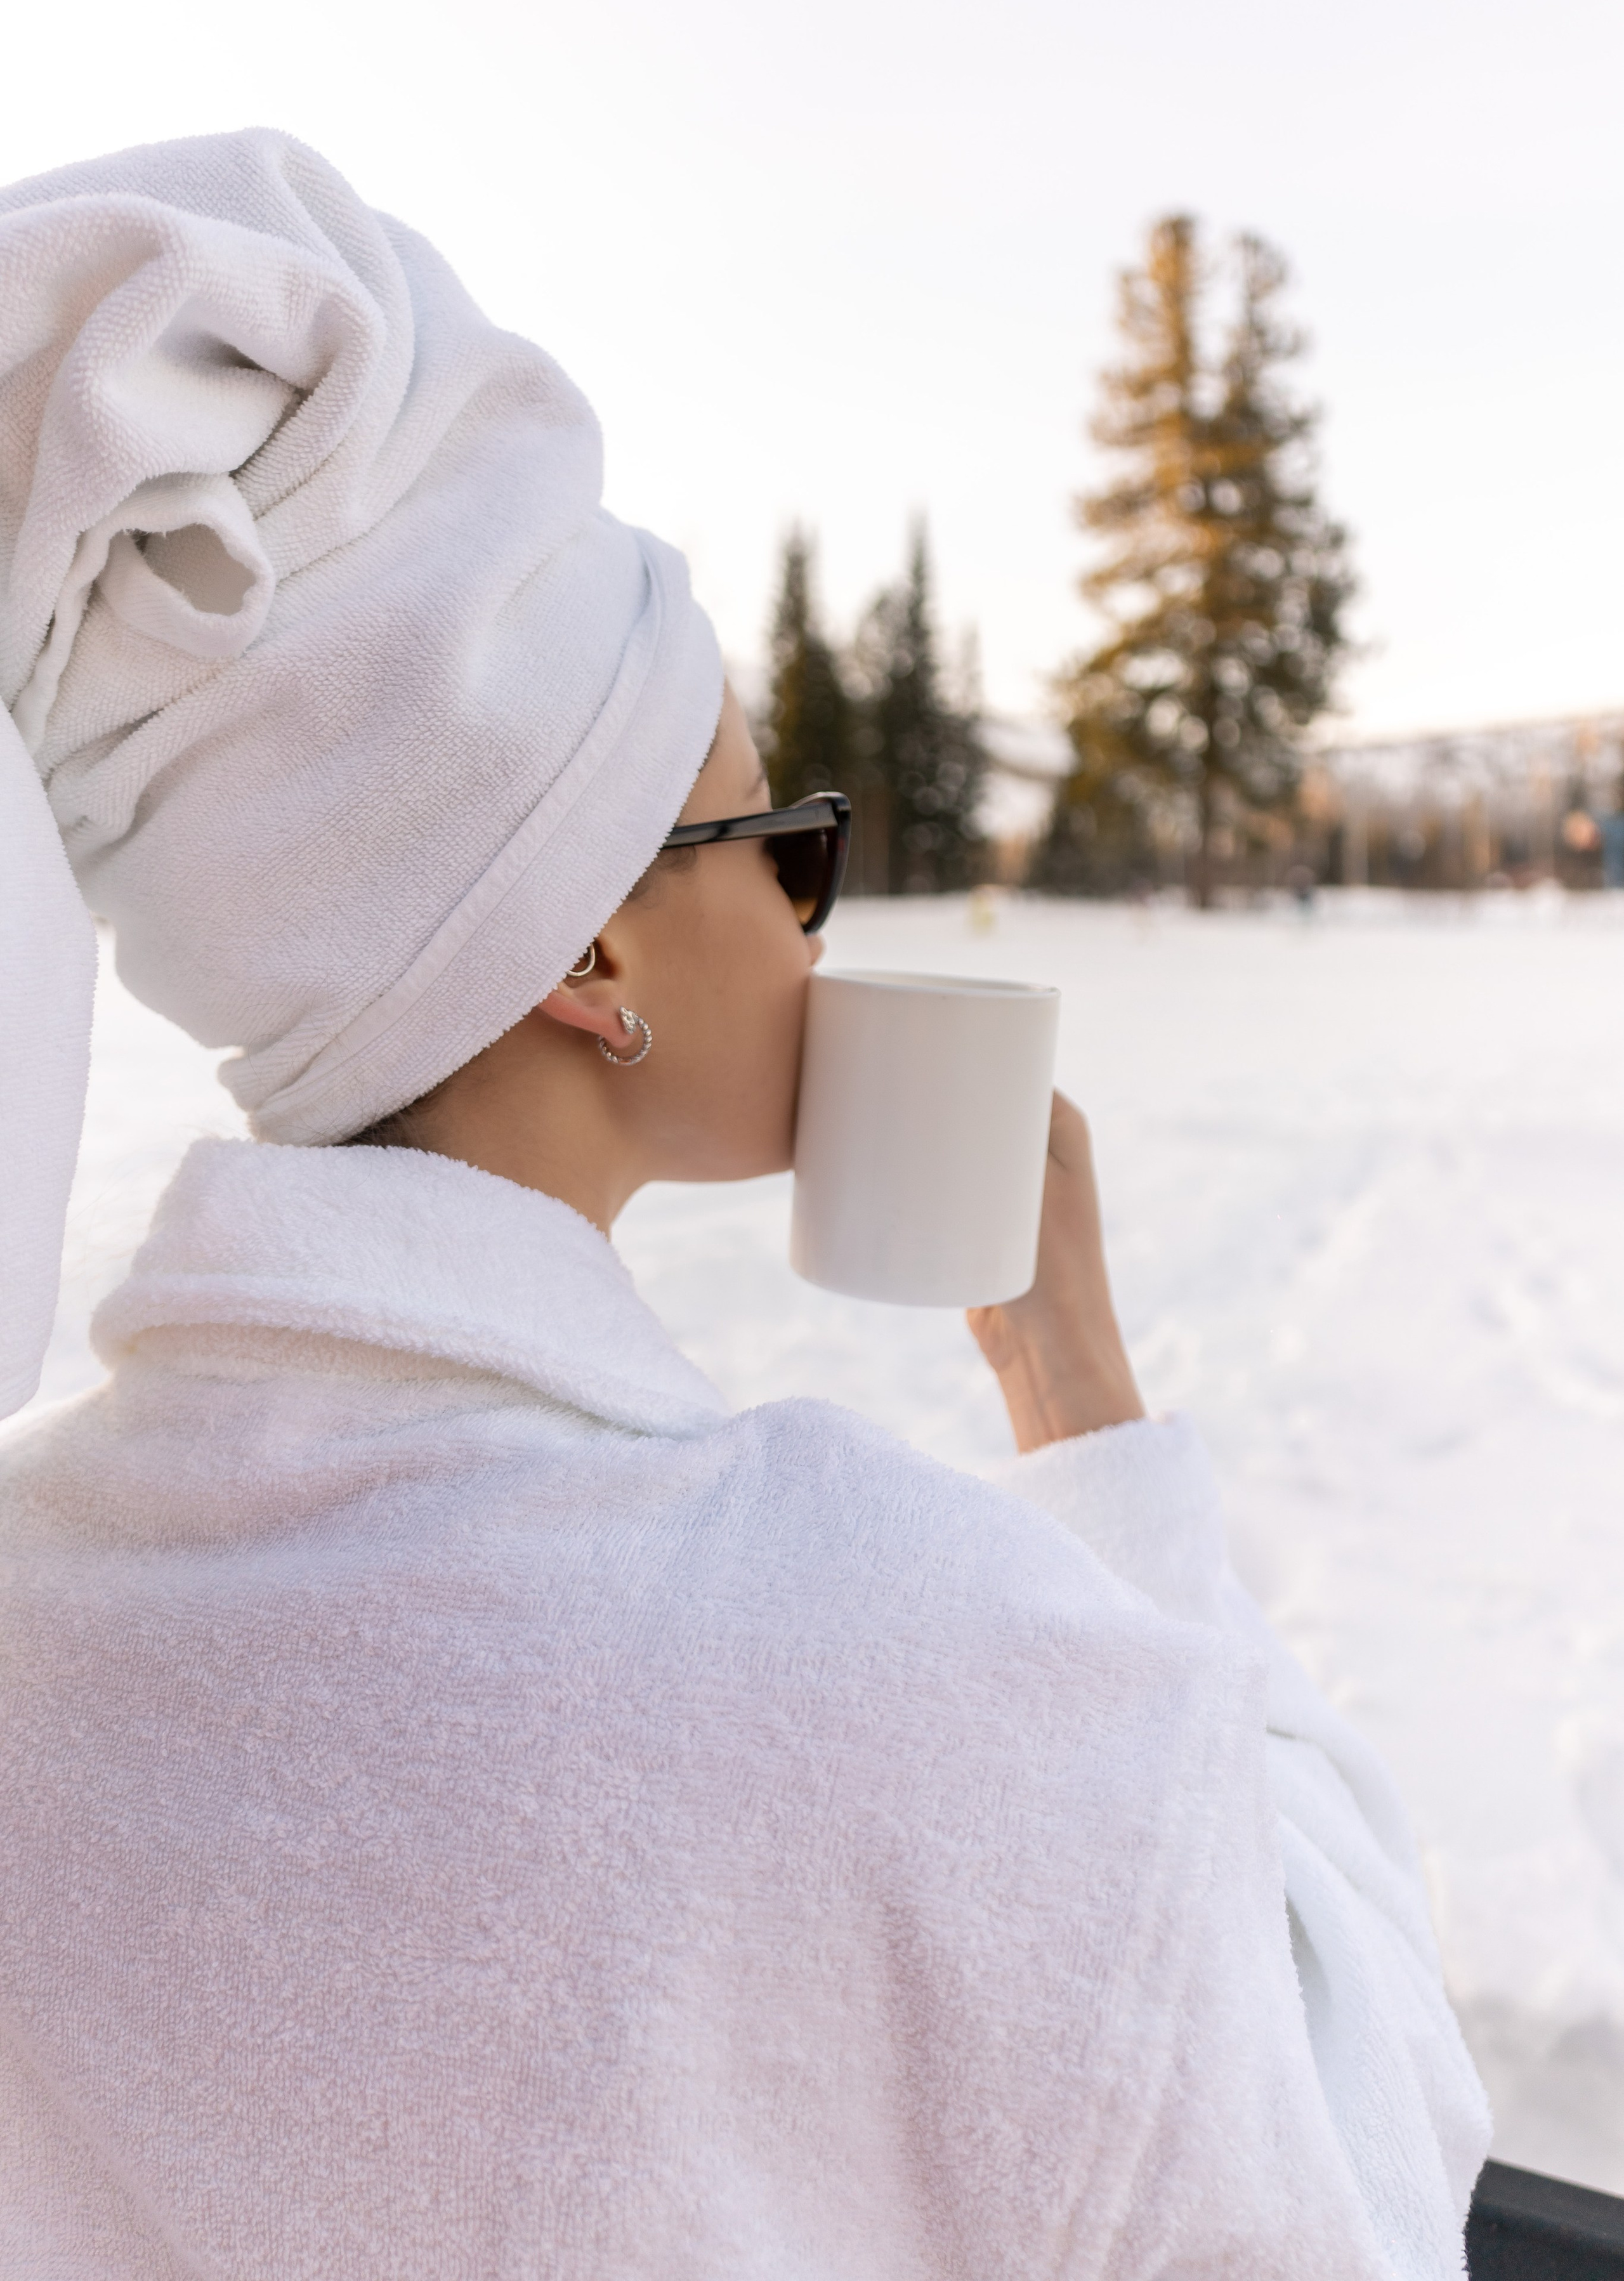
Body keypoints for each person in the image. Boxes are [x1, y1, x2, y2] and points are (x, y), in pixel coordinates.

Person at [0, 132, 1486, 2280]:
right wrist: (1080, 1392)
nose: (812, 917)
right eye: (777, 845)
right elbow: (1353, 2155)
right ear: (588, 954)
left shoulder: (37, 1583)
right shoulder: (874, 1650)